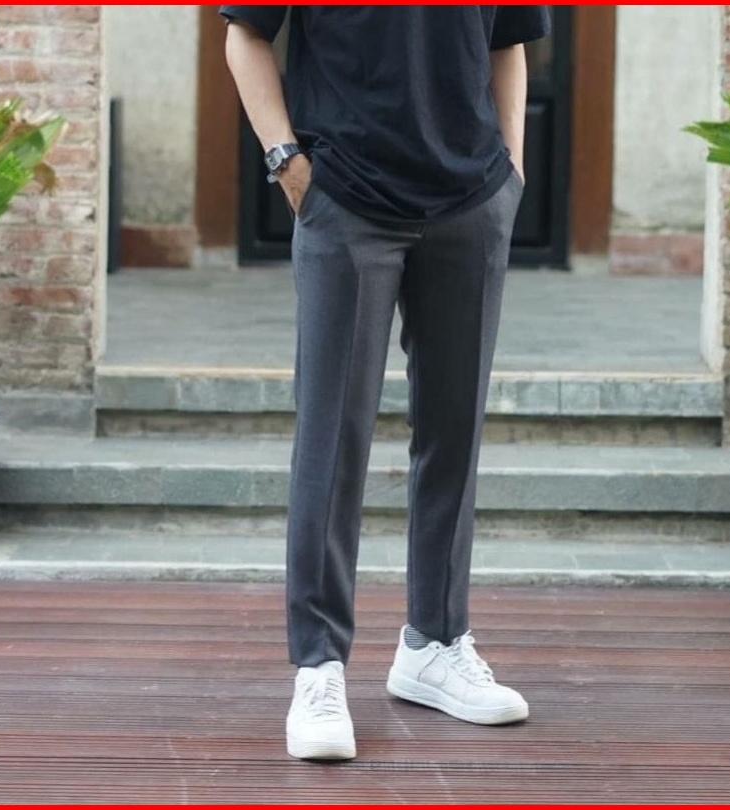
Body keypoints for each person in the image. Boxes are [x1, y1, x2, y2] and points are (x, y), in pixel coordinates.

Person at [221, 4, 551, 761]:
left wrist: (511, 170)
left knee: (453, 432)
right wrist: (286, 160)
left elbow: (508, 43)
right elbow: (245, 34)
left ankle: (435, 644)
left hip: (472, 200)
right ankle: (318, 665)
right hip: (346, 200)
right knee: (333, 440)